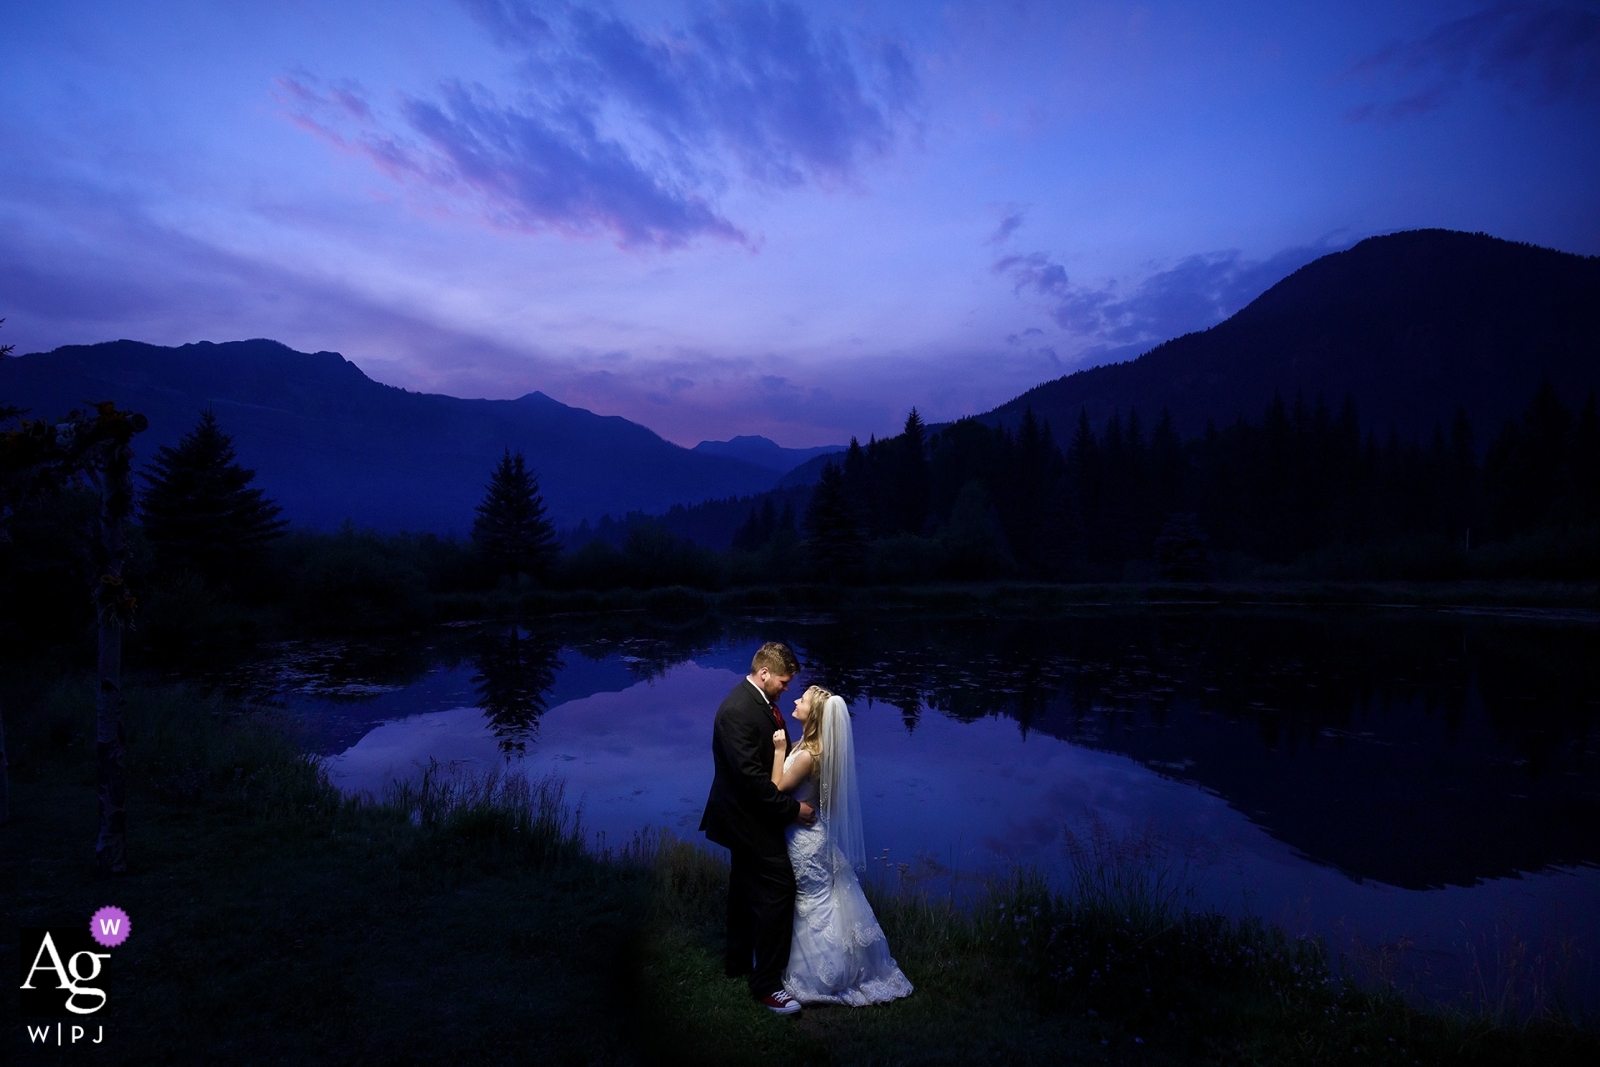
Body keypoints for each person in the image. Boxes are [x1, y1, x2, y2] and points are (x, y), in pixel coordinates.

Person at [770, 685, 913, 1006]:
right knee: (821, 899)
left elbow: (777, 788)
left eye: (802, 700)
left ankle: (823, 974)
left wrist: (779, 752)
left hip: (804, 840)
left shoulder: (808, 754)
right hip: (811, 833)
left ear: (815, 714)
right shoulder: (811, 747)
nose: (795, 700)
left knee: (812, 903)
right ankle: (825, 964)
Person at [699, 642, 816, 1015]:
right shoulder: (737, 711)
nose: (786, 688)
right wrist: (792, 808)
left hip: (747, 815)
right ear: (764, 673)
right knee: (779, 888)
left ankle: (737, 963)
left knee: (744, 889)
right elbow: (750, 781)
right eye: (783, 681)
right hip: (745, 818)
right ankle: (767, 986)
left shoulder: (757, 703)